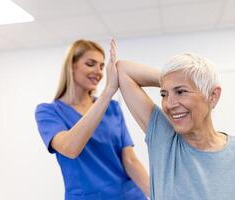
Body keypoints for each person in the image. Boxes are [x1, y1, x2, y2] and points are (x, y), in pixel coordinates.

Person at [116, 48, 235, 199]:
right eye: (164, 94)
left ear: (213, 96)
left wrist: (200, 81)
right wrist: (170, 79)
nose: (169, 104)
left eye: (181, 92)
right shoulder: (164, 139)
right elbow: (123, 70)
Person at [35, 39, 149, 200]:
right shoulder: (48, 112)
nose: (99, 71)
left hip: (128, 195)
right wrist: (107, 92)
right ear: (72, 66)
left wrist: (160, 194)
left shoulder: (112, 108)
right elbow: (70, 149)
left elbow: (130, 160)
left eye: (102, 66)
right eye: (90, 64)